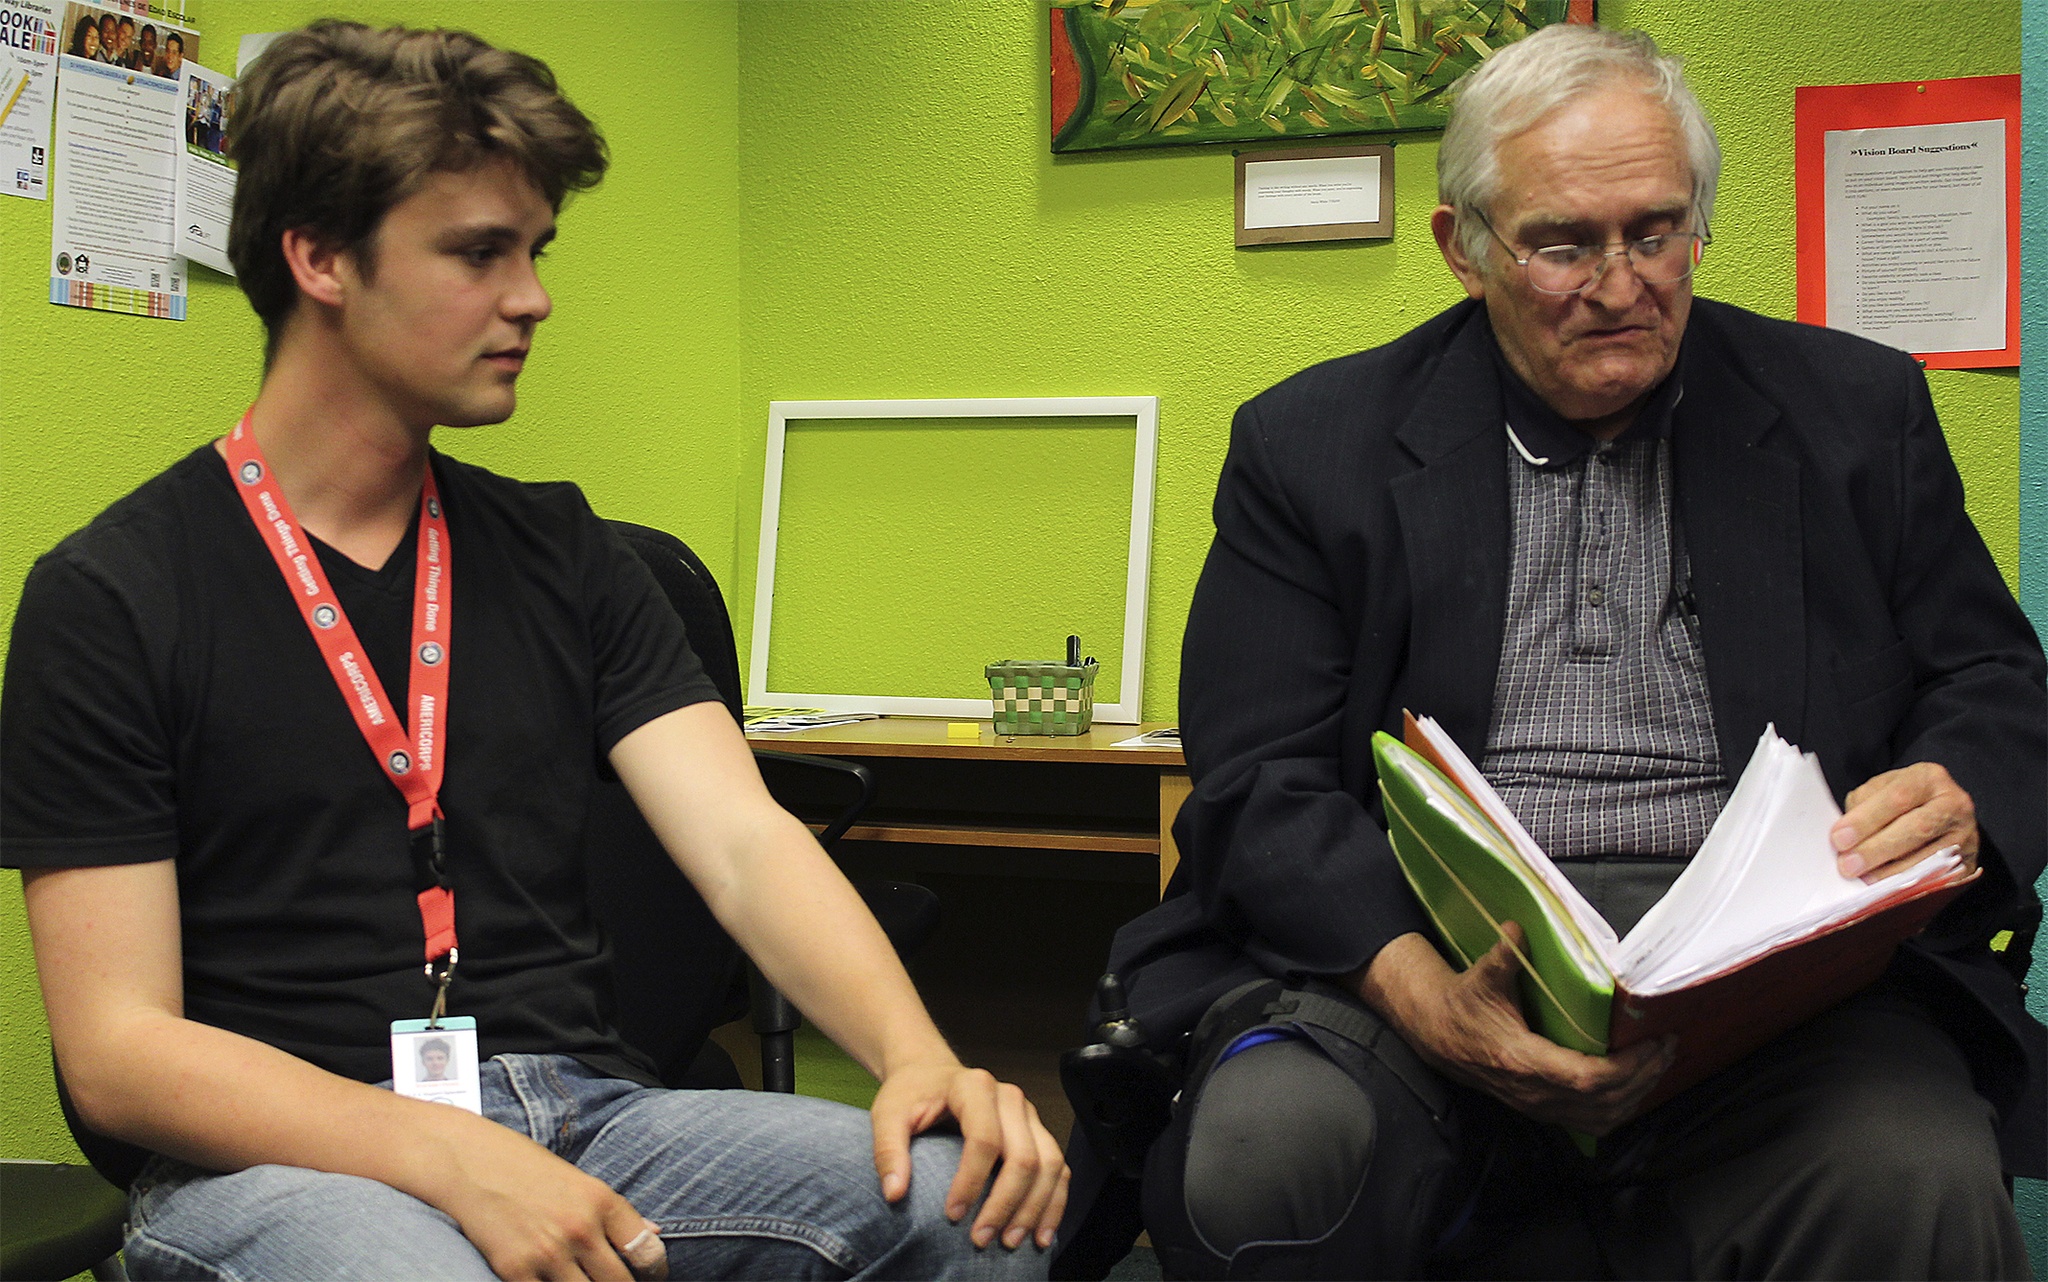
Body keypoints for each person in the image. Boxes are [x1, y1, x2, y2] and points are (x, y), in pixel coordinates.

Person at [2, 21, 1065, 1282]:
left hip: (587, 1113)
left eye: (535, 250)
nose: (532, 296)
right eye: (478, 252)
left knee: (966, 1205)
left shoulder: (565, 552)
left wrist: (916, 1057)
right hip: (282, 1163)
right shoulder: (112, 595)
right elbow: (118, 1049)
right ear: (320, 257)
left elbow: (742, 844)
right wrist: (442, 1156)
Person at [1059, 23, 2046, 1281]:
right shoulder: (1313, 446)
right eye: (1562, 243)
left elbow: (1996, 685)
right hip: (1416, 957)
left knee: (1913, 1177)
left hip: (1765, 991)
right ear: (1463, 248)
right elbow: (1257, 779)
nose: (1621, 282)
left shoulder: (1854, 414)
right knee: (1261, 1150)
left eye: (1655, 230)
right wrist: (1421, 994)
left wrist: (1958, 783)